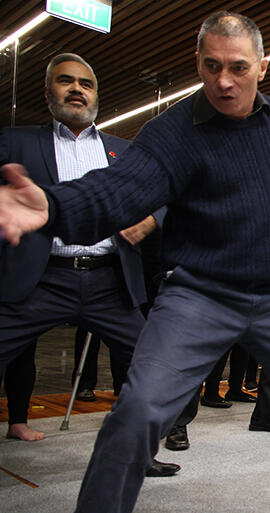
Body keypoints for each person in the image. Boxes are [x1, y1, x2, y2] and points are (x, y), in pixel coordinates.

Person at [0, 11, 270, 513]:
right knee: (137, 413)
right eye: (212, 66)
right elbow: (115, 193)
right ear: (197, 64)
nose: (224, 81)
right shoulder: (172, 132)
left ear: (262, 67)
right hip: (197, 294)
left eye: (238, 67)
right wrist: (52, 206)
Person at [0, 52, 177, 478]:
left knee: (146, 363)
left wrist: (152, 218)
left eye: (86, 83)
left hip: (108, 281)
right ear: (48, 92)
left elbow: (168, 191)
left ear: (97, 94)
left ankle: (137, 451)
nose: (76, 89)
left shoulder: (125, 151)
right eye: (65, 81)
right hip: (40, 277)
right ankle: (17, 422)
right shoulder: (15, 141)